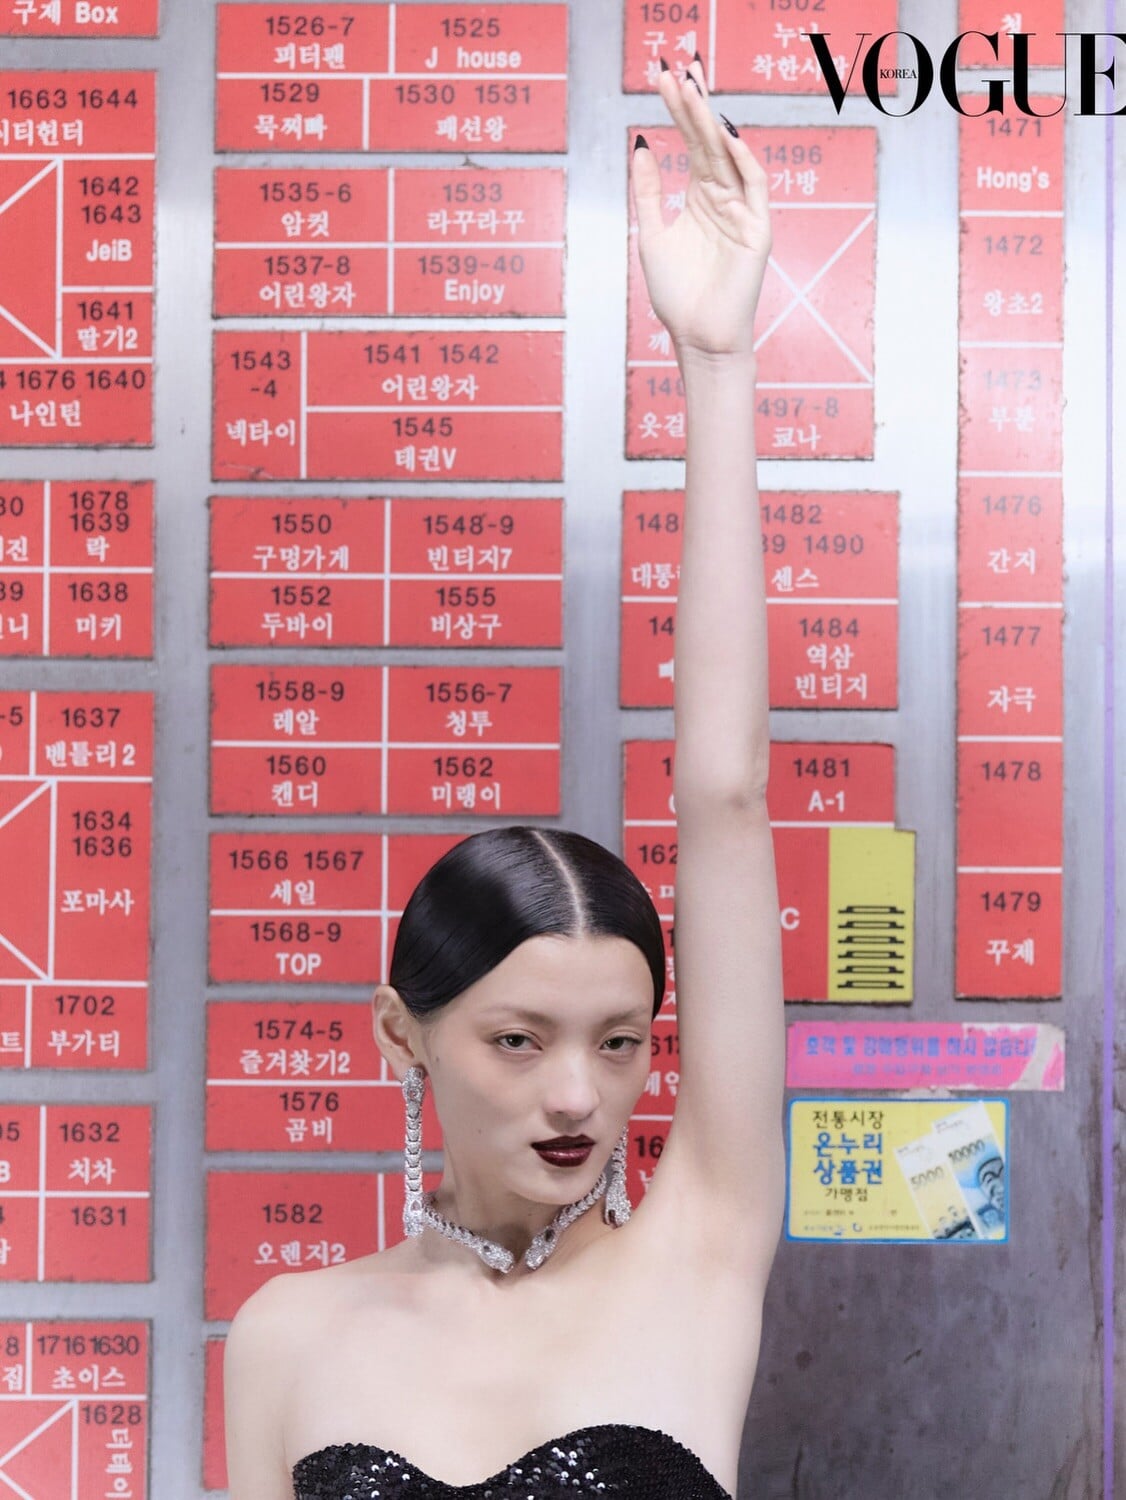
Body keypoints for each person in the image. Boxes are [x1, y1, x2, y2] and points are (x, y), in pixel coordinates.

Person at [224, 55, 783, 1500]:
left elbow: (724, 792)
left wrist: (716, 362)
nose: (578, 1096)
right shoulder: (289, 1335)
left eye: (621, 1042)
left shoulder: (699, 1251)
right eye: (519, 1041)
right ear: (400, 1036)